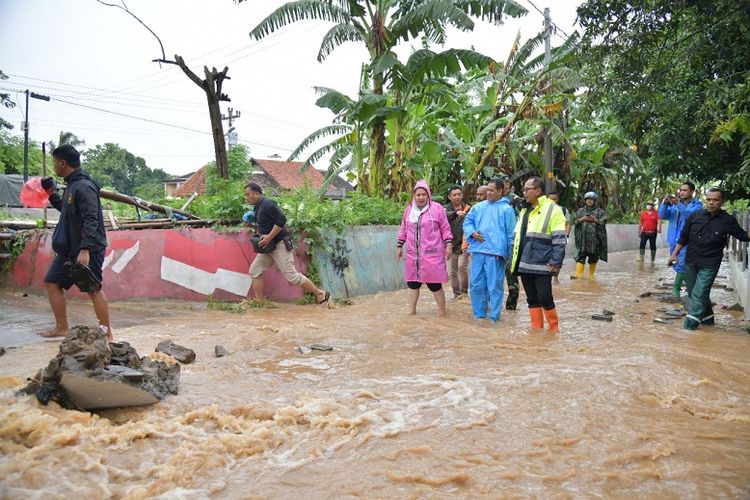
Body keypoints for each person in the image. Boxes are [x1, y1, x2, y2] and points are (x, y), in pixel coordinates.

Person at [40, 145, 112, 339]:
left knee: (93, 288)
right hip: (69, 249)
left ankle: (107, 334)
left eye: (55, 162)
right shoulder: (72, 185)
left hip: (87, 249)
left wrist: (85, 249)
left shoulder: (84, 186)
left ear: (63, 163)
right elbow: (68, 210)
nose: (54, 165)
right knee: (52, 282)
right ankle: (61, 328)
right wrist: (51, 193)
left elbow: (91, 220)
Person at [667, 188, 750, 330]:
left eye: (715, 200)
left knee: (699, 294)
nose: (711, 203)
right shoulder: (695, 216)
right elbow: (683, 237)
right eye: (709, 199)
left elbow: (743, 236)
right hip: (691, 261)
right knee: (693, 292)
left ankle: (688, 327)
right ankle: (708, 319)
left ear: (722, 202)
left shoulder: (728, 220)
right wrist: (674, 254)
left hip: (710, 264)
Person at [244, 182, 330, 305]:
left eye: (248, 195)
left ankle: (320, 293)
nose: (246, 198)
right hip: (268, 247)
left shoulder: (268, 204)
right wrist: (251, 225)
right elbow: (267, 226)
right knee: (254, 271)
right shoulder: (258, 207)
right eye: (245, 195)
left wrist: (269, 237)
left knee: (292, 276)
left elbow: (281, 220)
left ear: (257, 194)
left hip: (279, 245)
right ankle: (260, 303)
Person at [509, 177, 567, 333]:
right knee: (532, 299)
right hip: (524, 262)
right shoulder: (524, 210)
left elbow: (560, 239)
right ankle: (537, 332)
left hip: (543, 262)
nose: (524, 193)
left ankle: (554, 330)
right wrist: (512, 258)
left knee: (544, 296)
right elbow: (517, 236)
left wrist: (556, 262)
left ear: (538, 191)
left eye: (528, 189)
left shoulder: (553, 209)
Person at [463, 177, 516, 322]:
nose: (489, 193)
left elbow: (511, 234)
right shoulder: (478, 207)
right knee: (476, 284)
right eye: (487, 190)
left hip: (496, 253)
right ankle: (479, 315)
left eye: (492, 190)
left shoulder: (507, 209)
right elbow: (467, 222)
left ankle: (494, 317)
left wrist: (509, 256)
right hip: (478, 251)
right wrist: (472, 233)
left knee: (494, 286)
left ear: (500, 191)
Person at [397, 179, 453, 316]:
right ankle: (412, 311)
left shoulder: (437, 209)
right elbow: (404, 229)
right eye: (418, 195)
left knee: (434, 284)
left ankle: (442, 312)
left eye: (423, 195)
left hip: (431, 253)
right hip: (412, 255)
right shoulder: (409, 210)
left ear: (428, 195)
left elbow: (445, 228)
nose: (421, 197)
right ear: (414, 196)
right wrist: (399, 246)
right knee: (412, 283)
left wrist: (448, 243)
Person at [658, 182, 703, 296]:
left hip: (687, 240)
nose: (682, 192)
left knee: (682, 263)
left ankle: (676, 290)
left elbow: (690, 216)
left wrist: (678, 204)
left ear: (691, 192)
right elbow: (662, 215)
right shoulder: (674, 205)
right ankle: (692, 286)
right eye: (681, 190)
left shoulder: (697, 205)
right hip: (673, 239)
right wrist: (665, 203)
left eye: (685, 190)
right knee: (677, 264)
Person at [571, 191, 608, 280]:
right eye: (587, 199)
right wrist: (583, 219)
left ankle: (591, 276)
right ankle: (578, 274)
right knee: (580, 256)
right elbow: (574, 221)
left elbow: (604, 222)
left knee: (593, 257)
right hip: (582, 240)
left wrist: (594, 220)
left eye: (591, 199)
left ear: (595, 200)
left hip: (594, 240)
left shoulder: (600, 212)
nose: (589, 201)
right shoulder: (581, 211)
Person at [444, 186, 471, 299]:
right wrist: (456, 213)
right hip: (451, 244)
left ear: (462, 195)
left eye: (459, 194)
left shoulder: (469, 208)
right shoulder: (445, 209)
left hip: (465, 244)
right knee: (452, 272)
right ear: (449, 197)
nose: (457, 196)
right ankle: (457, 295)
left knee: (461, 267)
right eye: (454, 195)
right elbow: (444, 216)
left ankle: (464, 293)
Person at [500, 176, 521, 310]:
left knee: (511, 274)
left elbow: (520, 219)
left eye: (503, 184)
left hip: (512, 241)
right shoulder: (493, 200)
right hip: (496, 242)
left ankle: (511, 307)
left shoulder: (514, 199)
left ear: (508, 184)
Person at [546, 192, 570, 285]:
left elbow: (567, 223)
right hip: (546, 239)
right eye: (550, 199)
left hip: (559, 238)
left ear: (558, 199)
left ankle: (555, 277)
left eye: (554, 199)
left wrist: (566, 236)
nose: (552, 201)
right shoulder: (543, 210)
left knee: (558, 258)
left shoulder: (563, 210)